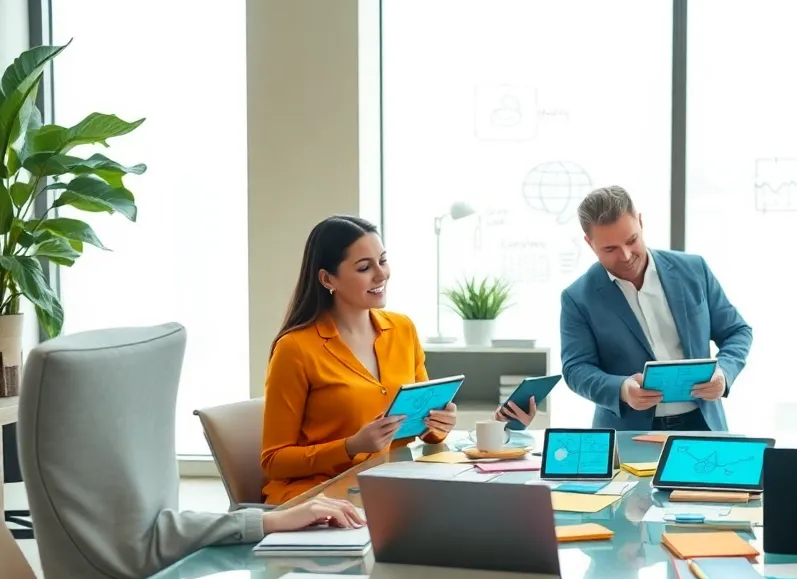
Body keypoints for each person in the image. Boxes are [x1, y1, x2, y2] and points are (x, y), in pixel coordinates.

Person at [260, 216, 515, 504]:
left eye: (382, 261)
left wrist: (438, 425)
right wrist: (351, 446)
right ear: (328, 279)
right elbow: (274, 461)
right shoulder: (294, 349)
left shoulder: (402, 329)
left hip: (391, 484)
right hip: (320, 496)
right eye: (364, 267)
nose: (381, 275)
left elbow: (425, 430)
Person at [560, 186, 753, 432]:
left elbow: (737, 331)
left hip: (704, 425)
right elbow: (576, 369)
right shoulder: (577, 298)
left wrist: (724, 373)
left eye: (632, 240)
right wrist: (621, 389)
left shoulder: (694, 270)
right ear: (589, 243)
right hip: (628, 432)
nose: (626, 255)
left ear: (640, 222)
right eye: (610, 249)